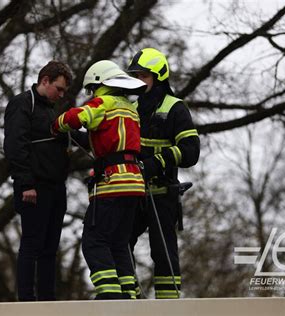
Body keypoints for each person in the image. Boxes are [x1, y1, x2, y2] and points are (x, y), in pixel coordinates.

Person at [51, 60, 147, 300]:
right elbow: (108, 140)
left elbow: (77, 117)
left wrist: (56, 125)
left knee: (94, 241)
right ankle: (129, 293)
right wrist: (79, 137)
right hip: (135, 182)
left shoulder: (103, 102)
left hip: (112, 183)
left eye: (92, 89)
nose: (92, 94)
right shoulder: (130, 108)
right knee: (119, 242)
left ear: (100, 83)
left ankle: (110, 295)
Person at [3, 60, 85, 301]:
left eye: (64, 92)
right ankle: (27, 302)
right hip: (34, 187)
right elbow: (15, 145)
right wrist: (26, 183)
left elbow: (69, 135)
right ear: (45, 80)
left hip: (56, 187)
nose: (60, 95)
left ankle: (48, 303)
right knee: (32, 244)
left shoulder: (51, 111)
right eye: (58, 89)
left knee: (50, 248)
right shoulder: (22, 103)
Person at [127, 48, 200, 299]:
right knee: (120, 242)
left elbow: (191, 151)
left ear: (158, 77)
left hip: (162, 193)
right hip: (134, 191)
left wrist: (159, 161)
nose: (138, 82)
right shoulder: (132, 108)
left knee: (163, 253)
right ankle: (130, 298)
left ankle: (168, 306)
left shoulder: (175, 108)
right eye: (135, 76)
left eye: (143, 77)